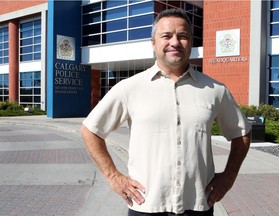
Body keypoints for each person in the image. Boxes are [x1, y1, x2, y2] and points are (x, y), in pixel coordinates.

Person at [81, 8, 251, 216]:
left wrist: (229, 176)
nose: (175, 42)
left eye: (182, 36)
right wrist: (113, 176)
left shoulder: (216, 90)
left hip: (198, 205)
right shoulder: (130, 88)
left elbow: (241, 132)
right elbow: (91, 130)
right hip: (147, 205)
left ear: (190, 41)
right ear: (153, 43)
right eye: (166, 36)